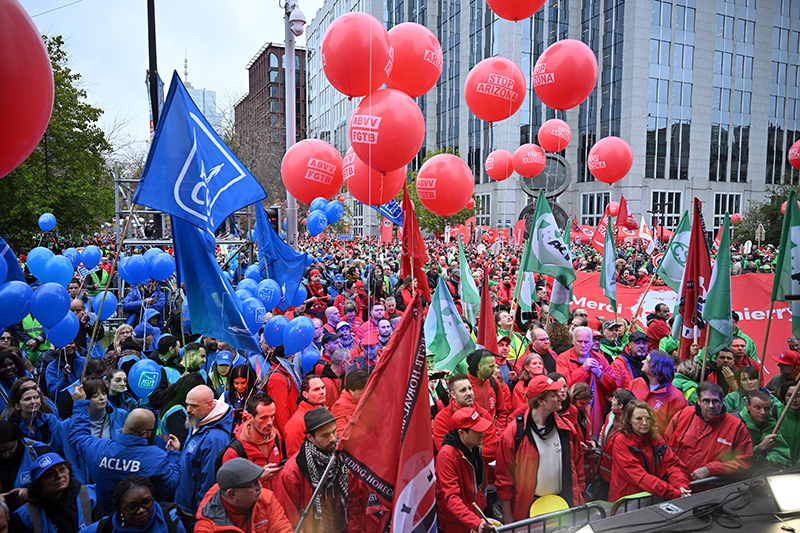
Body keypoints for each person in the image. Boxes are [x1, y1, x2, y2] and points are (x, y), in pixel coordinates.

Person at [67, 396, 181, 514]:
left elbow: (77, 437)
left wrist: (80, 404)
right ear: (144, 433)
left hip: (107, 517)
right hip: (143, 518)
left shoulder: (99, 448)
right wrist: (174, 454)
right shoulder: (156, 457)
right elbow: (170, 486)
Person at [496, 375, 583, 523]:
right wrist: (507, 514)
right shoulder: (514, 432)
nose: (560, 397)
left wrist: (579, 497)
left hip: (564, 505)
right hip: (530, 511)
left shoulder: (566, 428)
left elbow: (578, 466)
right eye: (554, 395)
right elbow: (504, 477)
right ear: (540, 401)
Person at [274, 408, 365, 533]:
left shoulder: (344, 458)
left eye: (334, 431)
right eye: (325, 435)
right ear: (310, 437)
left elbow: (354, 502)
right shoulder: (292, 472)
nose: (332, 438)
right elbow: (290, 519)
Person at [665, 382, 753, 482]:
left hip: (712, 487)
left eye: (715, 401)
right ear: (698, 401)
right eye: (706, 401)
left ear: (722, 401)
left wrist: (710, 469)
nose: (711, 406)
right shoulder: (683, 415)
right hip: (677, 483)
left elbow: (744, 461)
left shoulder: (736, 426)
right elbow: (666, 448)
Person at [608, 400, 691, 502]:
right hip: (628, 501)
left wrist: (681, 486)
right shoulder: (621, 441)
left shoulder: (655, 437)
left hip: (653, 496)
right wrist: (673, 493)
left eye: (648, 418)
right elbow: (639, 477)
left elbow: (672, 463)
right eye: (639, 419)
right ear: (629, 420)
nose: (644, 423)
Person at [435, 408, 496, 533]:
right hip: (454, 527)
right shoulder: (447, 456)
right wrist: (476, 522)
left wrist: (481, 513)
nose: (483, 434)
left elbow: (476, 486)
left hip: (473, 521)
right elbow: (451, 498)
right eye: (477, 431)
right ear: (461, 433)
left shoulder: (472, 448)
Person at [176, 385, 234, 515]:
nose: (188, 410)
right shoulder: (199, 421)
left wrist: (202, 515)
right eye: (187, 404)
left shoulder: (215, 438)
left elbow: (210, 482)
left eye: (193, 406)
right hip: (186, 503)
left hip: (196, 511)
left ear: (209, 405)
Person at [195, 458, 293, 533]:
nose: (260, 486)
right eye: (252, 484)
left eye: (258, 480)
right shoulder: (207, 527)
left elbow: (283, 530)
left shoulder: (267, 498)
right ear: (232, 494)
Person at [12, 453, 102, 533]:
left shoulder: (89, 495)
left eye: (62, 469)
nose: (59, 476)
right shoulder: (25, 515)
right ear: (38, 483)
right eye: (50, 474)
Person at [61, 380, 128, 484]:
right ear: (85, 399)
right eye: (95, 395)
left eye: (104, 393)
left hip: (114, 481)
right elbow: (59, 456)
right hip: (81, 485)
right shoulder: (66, 426)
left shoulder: (122, 416)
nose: (102, 398)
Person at [556, 326, 616, 440]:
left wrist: (600, 374)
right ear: (573, 341)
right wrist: (583, 369)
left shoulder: (600, 358)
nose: (583, 345)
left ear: (591, 342)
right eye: (579, 341)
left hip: (596, 411)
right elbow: (564, 387)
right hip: (571, 411)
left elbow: (612, 388)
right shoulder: (563, 358)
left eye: (586, 342)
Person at [220, 393, 285, 491]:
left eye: (272, 416)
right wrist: (259, 477)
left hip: (276, 499)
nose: (270, 422)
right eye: (263, 418)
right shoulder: (234, 452)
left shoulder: (276, 436)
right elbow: (229, 489)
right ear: (250, 418)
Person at [87, 475, 186, 533]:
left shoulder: (171, 522)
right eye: (132, 507)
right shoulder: (106, 526)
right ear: (120, 509)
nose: (141, 510)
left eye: (146, 502)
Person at [629, 351, 687, 434]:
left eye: (647, 360)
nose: (643, 361)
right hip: (631, 438)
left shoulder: (676, 397)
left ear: (656, 368)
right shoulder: (635, 383)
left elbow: (679, 429)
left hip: (657, 441)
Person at [0, 421, 52, 511]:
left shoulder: (38, 452)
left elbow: (53, 482)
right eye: (1, 451)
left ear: (18, 439)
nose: (6, 455)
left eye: (10, 448)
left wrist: (28, 491)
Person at [736, 390, 792, 469]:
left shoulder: (772, 425)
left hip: (764, 473)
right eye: (757, 408)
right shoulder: (736, 424)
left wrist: (770, 459)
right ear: (748, 406)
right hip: (740, 474)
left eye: (767, 408)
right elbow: (733, 457)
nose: (763, 412)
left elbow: (782, 452)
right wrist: (760, 448)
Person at [4, 379, 61, 445]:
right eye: (27, 399)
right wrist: (43, 447)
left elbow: (60, 439)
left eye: (36, 397)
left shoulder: (50, 419)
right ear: (17, 406)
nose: (33, 402)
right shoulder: (10, 424)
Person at [466, 350, 509, 434]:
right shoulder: (465, 386)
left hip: (493, 436)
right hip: (473, 437)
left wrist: (497, 433)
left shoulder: (494, 382)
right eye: (491, 366)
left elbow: (502, 412)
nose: (494, 370)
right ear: (479, 366)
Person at [283, 376, 327, 456]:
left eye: (323, 388)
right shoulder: (297, 423)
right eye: (316, 389)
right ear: (305, 394)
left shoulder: (323, 410)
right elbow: (294, 456)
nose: (322, 392)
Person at [331, 368, 368, 436]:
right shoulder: (340, 406)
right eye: (361, 391)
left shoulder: (365, 400)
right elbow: (341, 433)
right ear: (351, 390)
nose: (364, 393)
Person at [776, 381, 800, 465]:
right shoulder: (774, 414)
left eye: (798, 396)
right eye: (789, 395)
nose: (794, 400)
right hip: (779, 467)